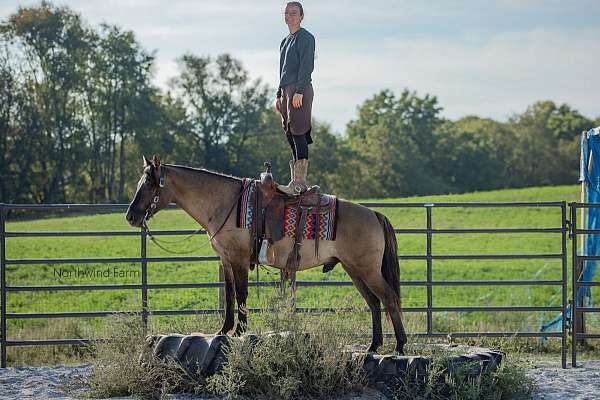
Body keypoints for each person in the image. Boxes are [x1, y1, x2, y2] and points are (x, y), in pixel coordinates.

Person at [275, 1, 315, 194]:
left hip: (300, 89)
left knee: (299, 131)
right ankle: (294, 181)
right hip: (286, 91)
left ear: (301, 16)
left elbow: (307, 66)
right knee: (289, 132)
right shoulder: (284, 41)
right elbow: (281, 70)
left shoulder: (306, 38)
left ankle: (301, 182)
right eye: (287, 13)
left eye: (294, 13)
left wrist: (299, 90)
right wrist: (278, 95)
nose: (289, 16)